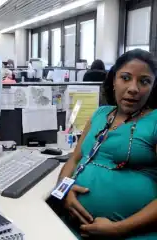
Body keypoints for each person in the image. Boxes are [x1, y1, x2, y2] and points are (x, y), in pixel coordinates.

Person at [57, 49, 157, 239]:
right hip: (71, 227)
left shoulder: (155, 122)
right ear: (114, 81)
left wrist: (119, 229)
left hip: (131, 234)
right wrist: (63, 192)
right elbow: (74, 159)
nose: (133, 88)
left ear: (153, 87)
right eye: (125, 78)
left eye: (144, 81)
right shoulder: (99, 114)